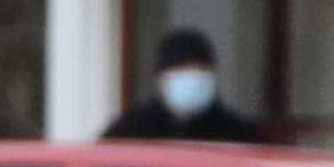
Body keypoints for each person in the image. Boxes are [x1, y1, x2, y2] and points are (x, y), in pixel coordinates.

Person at [102, 26, 268, 144]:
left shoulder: (239, 135)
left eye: (201, 69)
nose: (193, 78)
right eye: (182, 68)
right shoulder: (129, 132)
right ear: (160, 78)